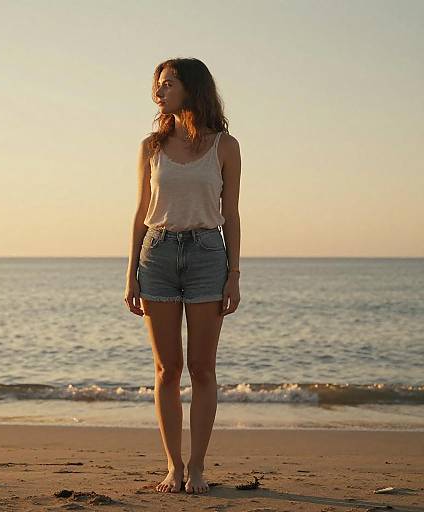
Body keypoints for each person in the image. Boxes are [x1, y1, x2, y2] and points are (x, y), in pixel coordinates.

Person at [124, 58, 241, 494]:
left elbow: (230, 214)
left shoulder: (225, 146)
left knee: (202, 368)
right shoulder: (151, 147)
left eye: (168, 83)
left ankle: (198, 467)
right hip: (157, 254)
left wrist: (234, 273)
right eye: (157, 84)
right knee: (166, 369)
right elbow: (140, 212)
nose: (159, 91)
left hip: (209, 254)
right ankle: (173, 466)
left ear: (191, 89)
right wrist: (130, 273)